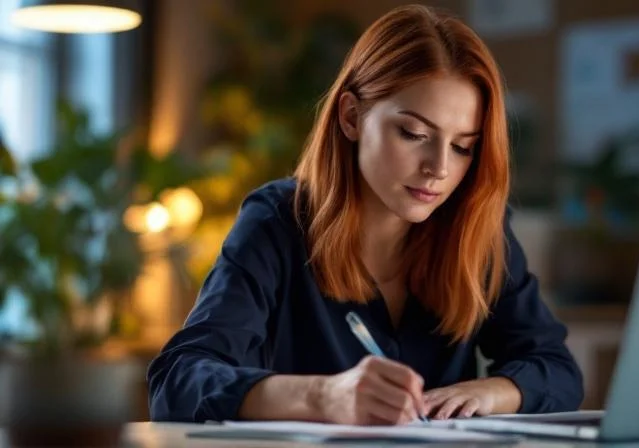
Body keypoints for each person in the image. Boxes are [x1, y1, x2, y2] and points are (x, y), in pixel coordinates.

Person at [147, 4, 584, 425]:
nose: (439, 168)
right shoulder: (276, 222)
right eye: (414, 133)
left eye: (462, 146)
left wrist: (492, 392)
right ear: (352, 117)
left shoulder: (478, 227)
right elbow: (177, 382)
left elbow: (557, 368)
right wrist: (323, 397)